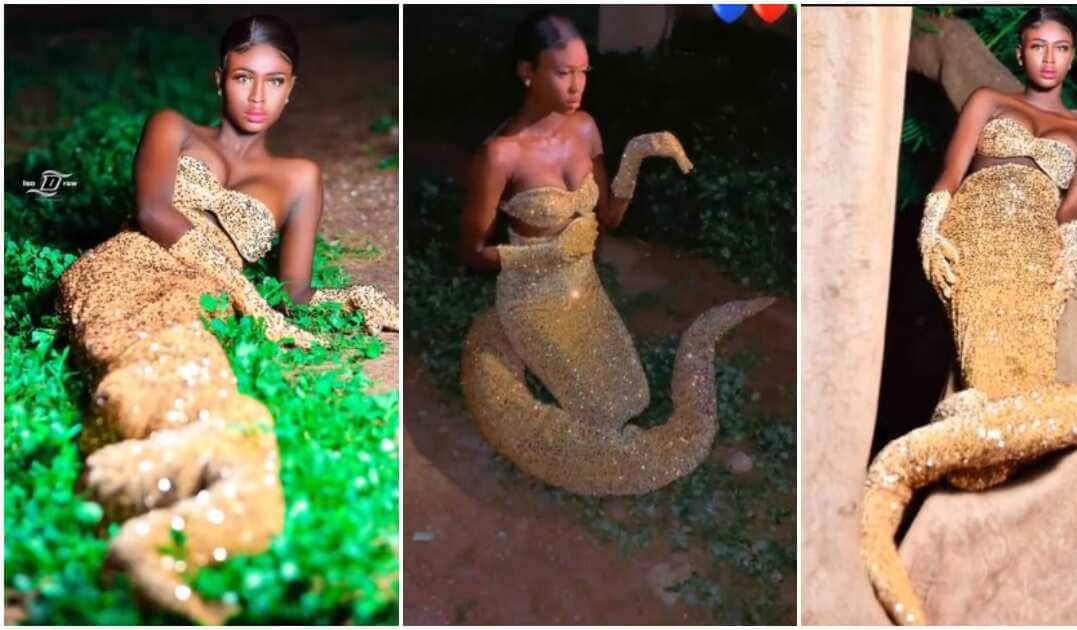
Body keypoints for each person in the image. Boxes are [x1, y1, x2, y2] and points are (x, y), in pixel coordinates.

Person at [55, 14, 398, 624]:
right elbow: (155, 212)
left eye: (275, 81)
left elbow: (292, 292)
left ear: (293, 88)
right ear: (219, 80)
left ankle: (164, 523)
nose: (258, 96)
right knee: (142, 358)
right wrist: (242, 288)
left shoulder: (299, 178)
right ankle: (127, 494)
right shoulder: (174, 128)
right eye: (244, 78)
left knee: (203, 379)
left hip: (203, 299)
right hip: (128, 269)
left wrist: (346, 303)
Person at [860, 7, 1077, 625]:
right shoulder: (988, 100)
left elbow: (1072, 210)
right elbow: (948, 177)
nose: (1048, 58)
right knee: (990, 371)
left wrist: (1064, 268)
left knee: (1024, 397)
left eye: (1061, 47)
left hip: (1034, 260)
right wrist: (930, 236)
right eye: (1037, 46)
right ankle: (899, 478)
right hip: (976, 243)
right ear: (1022, 52)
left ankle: (937, 455)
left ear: (1072, 56)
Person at [457, 10, 774, 496]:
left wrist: (638, 154)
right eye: (563, 72)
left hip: (585, 289)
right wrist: (548, 254)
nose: (576, 85)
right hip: (531, 299)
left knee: (634, 397)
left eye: (584, 72)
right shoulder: (500, 154)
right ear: (528, 72)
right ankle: (509, 342)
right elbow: (473, 252)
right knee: (604, 412)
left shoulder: (584, 128)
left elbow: (609, 217)